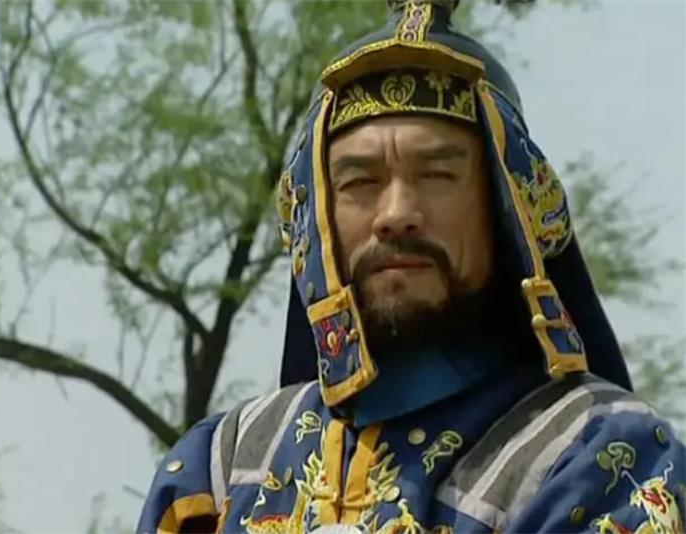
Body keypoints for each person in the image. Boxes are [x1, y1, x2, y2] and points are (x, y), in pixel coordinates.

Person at [137, 1, 685, 532]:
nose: (397, 215)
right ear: (315, 220)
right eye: (360, 181)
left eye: (437, 175)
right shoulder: (221, 468)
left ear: (506, 209)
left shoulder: (597, 457)